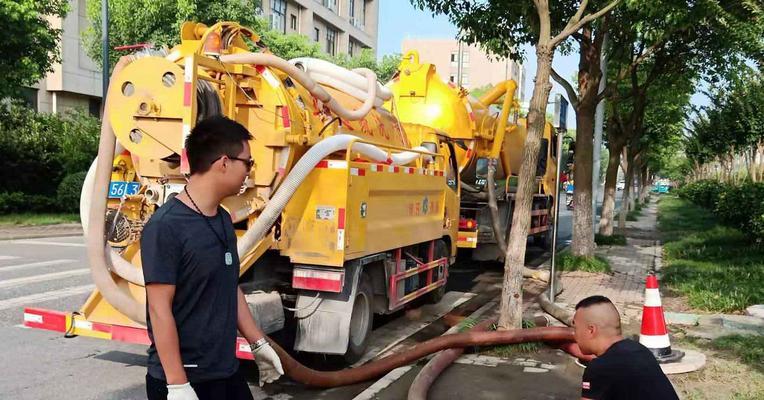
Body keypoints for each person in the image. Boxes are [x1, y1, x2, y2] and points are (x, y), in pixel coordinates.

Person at [141, 116, 284, 400]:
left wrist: (258, 343)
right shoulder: (165, 227)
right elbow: (159, 310)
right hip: (184, 378)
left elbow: (229, 287)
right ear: (223, 163)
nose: (249, 172)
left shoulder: (221, 219)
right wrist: (178, 384)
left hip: (224, 372)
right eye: (248, 163)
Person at [573, 295, 679, 400]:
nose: (574, 334)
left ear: (591, 330)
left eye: (576, 328)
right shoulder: (639, 350)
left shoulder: (599, 368)